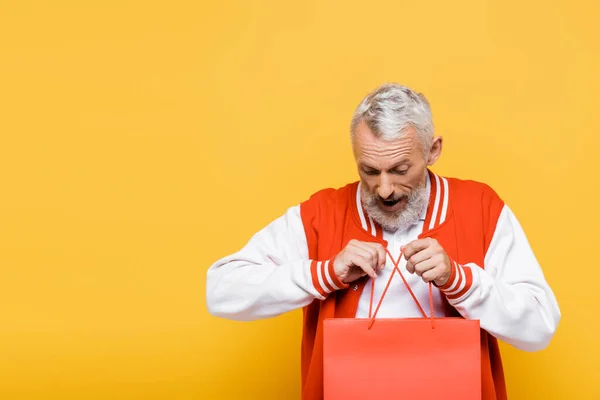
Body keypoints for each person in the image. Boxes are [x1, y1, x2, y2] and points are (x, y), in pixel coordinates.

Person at [205, 83, 561, 399]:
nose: (384, 189)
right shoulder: (320, 214)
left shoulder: (482, 208)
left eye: (401, 170)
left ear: (433, 150)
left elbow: (540, 327)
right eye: (369, 171)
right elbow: (222, 290)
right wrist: (323, 274)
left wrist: (461, 281)